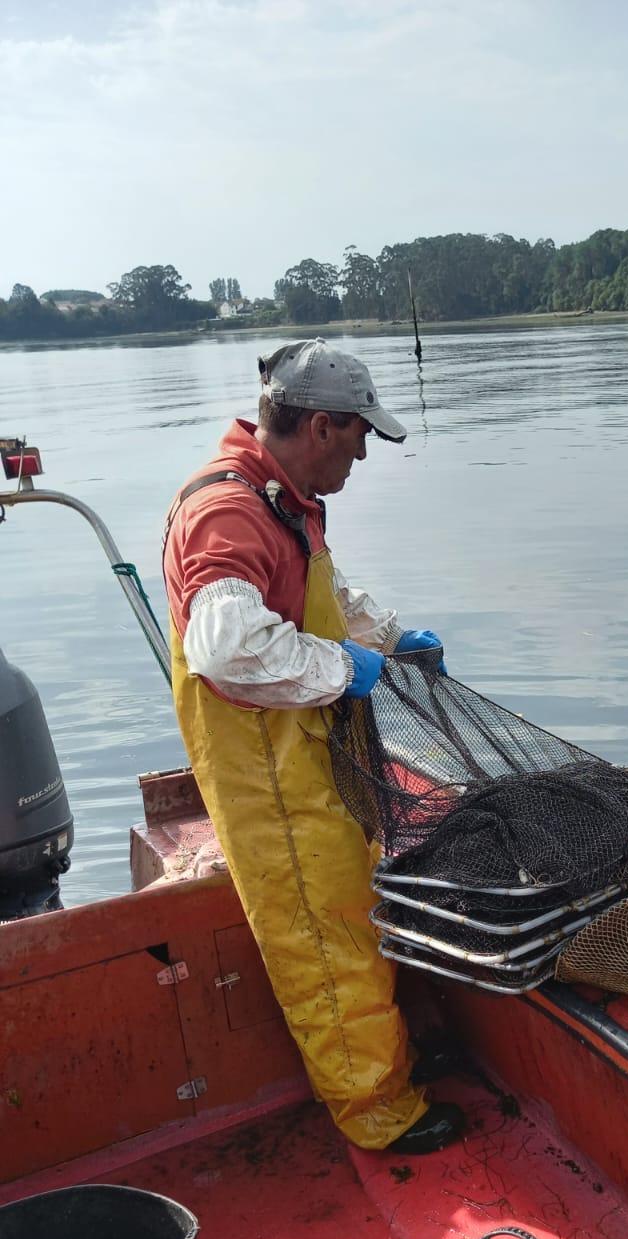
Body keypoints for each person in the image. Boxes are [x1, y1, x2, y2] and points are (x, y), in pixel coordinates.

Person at [162, 339, 464, 1154]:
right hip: (269, 777)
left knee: (353, 915)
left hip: (309, 754)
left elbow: (320, 594)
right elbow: (226, 648)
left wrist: (392, 638)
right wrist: (346, 667)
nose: (364, 452)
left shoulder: (279, 497)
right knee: (324, 940)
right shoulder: (226, 512)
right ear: (322, 426)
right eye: (360, 434)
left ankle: (389, 1063)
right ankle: (379, 1114)